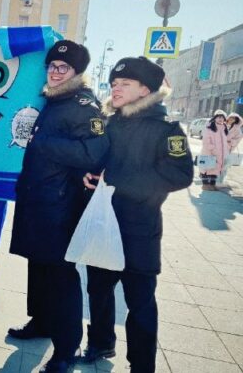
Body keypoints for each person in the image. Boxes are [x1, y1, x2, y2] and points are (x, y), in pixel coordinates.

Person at [80, 57, 194, 373]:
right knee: (98, 290)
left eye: (124, 84)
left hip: (140, 229)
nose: (115, 89)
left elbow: (181, 175)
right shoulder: (107, 122)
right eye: (114, 84)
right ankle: (100, 343)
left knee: (140, 301)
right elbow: (95, 160)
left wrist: (116, 179)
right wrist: (87, 173)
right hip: (104, 222)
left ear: (145, 90)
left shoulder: (167, 129)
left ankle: (142, 365)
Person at [8, 40, 109, 373]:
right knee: (38, 267)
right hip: (39, 199)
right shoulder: (55, 99)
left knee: (61, 275)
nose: (55, 71)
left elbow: (94, 152)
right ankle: (41, 322)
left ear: (76, 73)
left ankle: (65, 349)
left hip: (61, 206)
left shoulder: (83, 105)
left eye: (63, 67)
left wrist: (46, 143)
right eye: (52, 66)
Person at [199, 110, 228, 191]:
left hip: (220, 154)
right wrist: (214, 150)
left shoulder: (224, 128)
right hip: (209, 153)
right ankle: (205, 185)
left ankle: (212, 185)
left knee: (216, 169)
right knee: (206, 169)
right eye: (218, 117)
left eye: (222, 117)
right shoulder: (209, 128)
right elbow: (206, 142)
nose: (220, 119)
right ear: (215, 118)